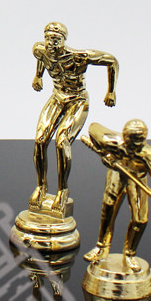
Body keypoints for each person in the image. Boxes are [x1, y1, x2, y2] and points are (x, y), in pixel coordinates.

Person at [30, 22, 118, 214]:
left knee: (62, 141)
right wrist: (38, 76)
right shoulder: (39, 50)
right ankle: (41, 186)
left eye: (56, 40)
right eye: (48, 39)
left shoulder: (79, 57)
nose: (51, 44)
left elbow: (111, 61)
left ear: (63, 40)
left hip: (77, 100)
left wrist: (111, 91)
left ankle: (62, 190)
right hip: (57, 97)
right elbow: (42, 59)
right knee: (40, 140)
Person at [82, 120, 151, 272]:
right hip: (117, 174)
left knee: (140, 219)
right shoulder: (113, 141)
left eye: (140, 144)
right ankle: (101, 247)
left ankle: (130, 254)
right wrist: (105, 157)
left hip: (137, 180)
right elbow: (93, 128)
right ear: (125, 139)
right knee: (108, 208)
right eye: (133, 145)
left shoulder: (147, 154)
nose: (136, 149)